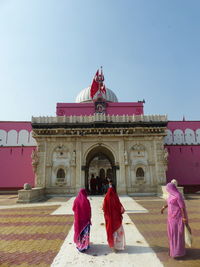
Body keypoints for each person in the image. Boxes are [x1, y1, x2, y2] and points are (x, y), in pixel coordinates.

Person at [161, 182, 191, 258]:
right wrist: (164, 207)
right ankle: (173, 250)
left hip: (178, 218)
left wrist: (184, 217)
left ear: (171, 188)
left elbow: (182, 207)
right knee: (172, 234)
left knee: (178, 234)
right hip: (171, 218)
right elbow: (170, 203)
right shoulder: (171, 195)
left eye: (168, 188)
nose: (167, 190)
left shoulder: (178, 195)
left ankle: (179, 252)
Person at [102, 187, 125, 252]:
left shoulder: (106, 198)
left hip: (109, 219)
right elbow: (121, 208)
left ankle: (112, 246)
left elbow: (104, 208)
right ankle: (118, 246)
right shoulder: (116, 197)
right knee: (118, 232)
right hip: (116, 219)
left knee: (111, 231)